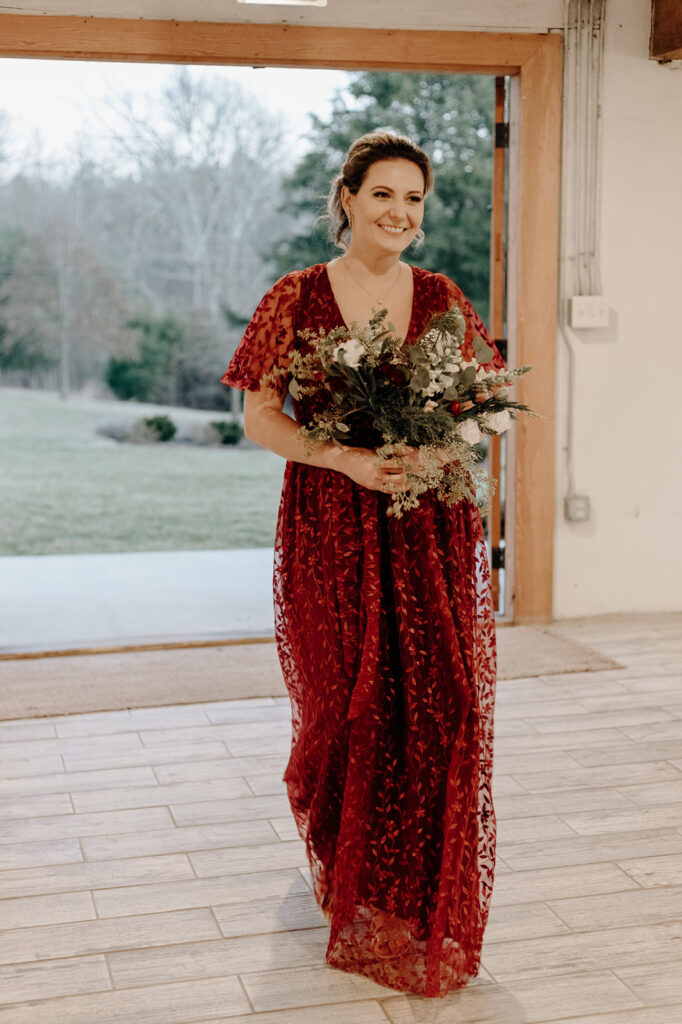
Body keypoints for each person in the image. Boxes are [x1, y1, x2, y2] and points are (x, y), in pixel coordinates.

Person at [220, 131, 506, 998]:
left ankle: (418, 886)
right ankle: (352, 872)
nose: (401, 214)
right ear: (346, 198)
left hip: (426, 526)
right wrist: (340, 457)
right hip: (333, 524)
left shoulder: (443, 295)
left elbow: (486, 396)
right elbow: (257, 415)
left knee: (439, 697)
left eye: (415, 199)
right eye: (384, 194)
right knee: (345, 705)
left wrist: (446, 442)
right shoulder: (296, 296)